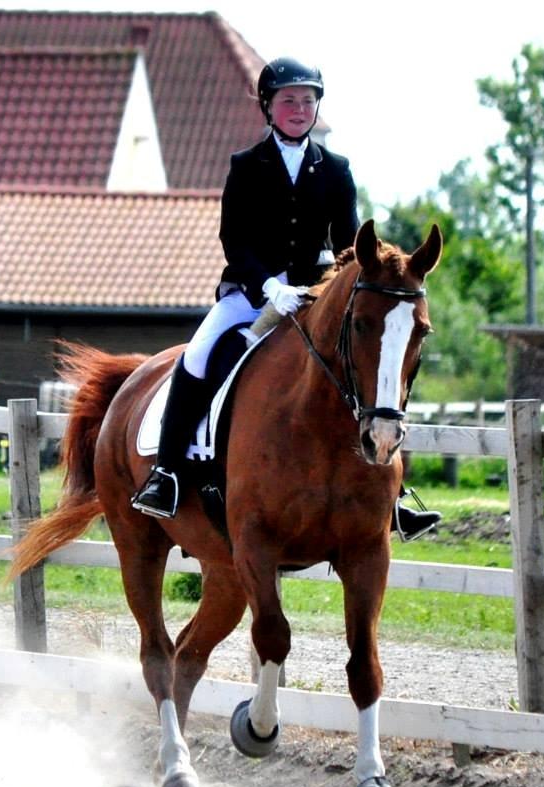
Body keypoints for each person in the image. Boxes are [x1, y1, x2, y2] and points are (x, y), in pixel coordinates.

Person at [132, 57, 440, 541]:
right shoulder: (246, 166)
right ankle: (167, 473)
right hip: (253, 295)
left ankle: (394, 493)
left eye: (308, 101)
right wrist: (268, 285)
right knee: (197, 358)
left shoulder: (336, 169)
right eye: (289, 101)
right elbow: (234, 239)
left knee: (364, 363)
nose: (299, 109)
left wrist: (327, 289)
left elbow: (348, 245)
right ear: (268, 107)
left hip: (314, 296)